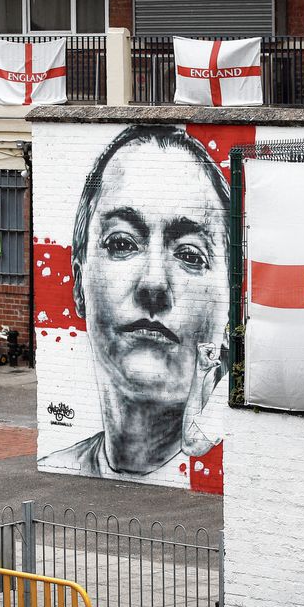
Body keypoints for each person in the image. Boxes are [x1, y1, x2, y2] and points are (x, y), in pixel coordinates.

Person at [41, 125, 230, 478]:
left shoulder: (247, 475)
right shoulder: (55, 465)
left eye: (190, 254)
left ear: (231, 301)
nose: (154, 283)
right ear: (80, 283)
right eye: (122, 244)